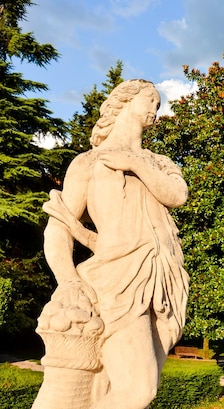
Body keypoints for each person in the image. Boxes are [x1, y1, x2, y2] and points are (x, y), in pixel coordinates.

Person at [41, 79, 189, 409]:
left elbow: (178, 195)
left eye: (158, 103)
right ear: (122, 102)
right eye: (150, 99)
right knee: (139, 390)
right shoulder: (89, 163)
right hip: (119, 283)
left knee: (111, 384)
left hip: (164, 281)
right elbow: (58, 230)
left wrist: (135, 163)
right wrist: (68, 281)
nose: (155, 107)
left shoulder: (160, 162)